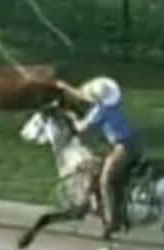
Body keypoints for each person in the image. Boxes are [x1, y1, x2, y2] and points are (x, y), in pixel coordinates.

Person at [55, 75, 143, 237]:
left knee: (105, 180)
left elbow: (81, 128)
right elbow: (83, 95)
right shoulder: (114, 103)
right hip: (132, 144)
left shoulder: (100, 111)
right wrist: (65, 87)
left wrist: (70, 115)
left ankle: (112, 221)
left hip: (123, 148)